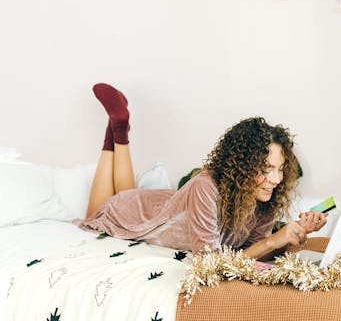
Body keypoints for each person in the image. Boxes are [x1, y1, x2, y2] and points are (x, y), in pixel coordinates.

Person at [81, 83, 327, 257]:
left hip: (160, 206)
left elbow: (252, 251)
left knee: (126, 194)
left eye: (280, 169)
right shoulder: (205, 186)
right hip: (135, 212)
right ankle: (116, 129)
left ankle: (118, 126)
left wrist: (288, 236)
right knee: (96, 213)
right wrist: (274, 240)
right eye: (266, 168)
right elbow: (210, 263)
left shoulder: (264, 197)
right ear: (242, 166)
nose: (275, 179)